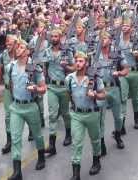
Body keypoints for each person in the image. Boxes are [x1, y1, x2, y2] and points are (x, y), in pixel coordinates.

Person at [6, 39, 47, 180]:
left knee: (37, 135)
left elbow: (43, 89)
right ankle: (17, 171)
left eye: (21, 47)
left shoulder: (35, 67)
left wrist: (35, 88)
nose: (17, 49)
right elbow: (11, 85)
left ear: (27, 51)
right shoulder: (10, 67)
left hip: (31, 106)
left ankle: (41, 156)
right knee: (15, 138)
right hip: (16, 107)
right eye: (17, 47)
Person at [65, 51, 106, 180]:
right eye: (76, 61)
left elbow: (103, 94)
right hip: (77, 115)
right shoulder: (69, 78)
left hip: (92, 113)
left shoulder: (94, 78)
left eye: (81, 61)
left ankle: (96, 161)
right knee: (76, 143)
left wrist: (95, 96)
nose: (78, 63)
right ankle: (76, 173)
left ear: (86, 63)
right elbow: (68, 94)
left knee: (95, 139)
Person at [43, 28, 74, 156]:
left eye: (56, 36)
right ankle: (52, 144)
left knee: (66, 113)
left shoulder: (67, 52)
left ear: (60, 38)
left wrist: (66, 66)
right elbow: (45, 67)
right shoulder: (46, 51)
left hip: (64, 87)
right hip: (52, 87)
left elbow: (74, 68)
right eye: (52, 36)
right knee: (52, 114)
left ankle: (68, 133)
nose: (54, 38)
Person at [0, 34, 17, 154]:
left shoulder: (21, 54)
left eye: (10, 43)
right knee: (8, 116)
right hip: (8, 90)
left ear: (16, 44)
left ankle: (33, 131)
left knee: (24, 114)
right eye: (7, 44)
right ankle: (9, 141)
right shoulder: (3, 56)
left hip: (20, 90)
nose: (8, 46)